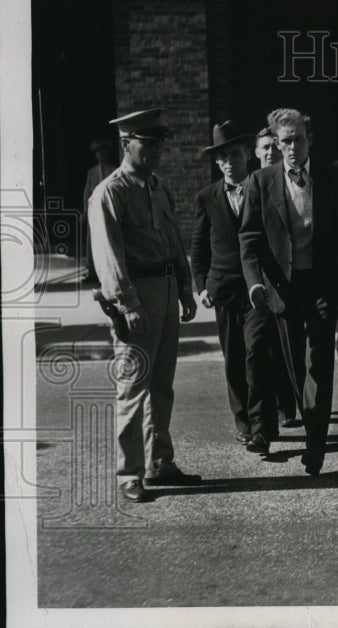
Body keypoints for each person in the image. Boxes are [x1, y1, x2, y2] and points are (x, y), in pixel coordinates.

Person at [240, 108, 338, 476]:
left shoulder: (329, 177)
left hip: (324, 285)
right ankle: (307, 417)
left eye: (299, 140)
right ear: (276, 144)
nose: (293, 147)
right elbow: (249, 237)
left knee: (320, 363)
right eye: (286, 141)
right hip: (284, 288)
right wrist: (255, 281)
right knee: (295, 367)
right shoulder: (260, 182)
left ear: (309, 140)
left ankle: (316, 445)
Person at [88, 108, 201, 503]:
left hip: (167, 291)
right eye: (146, 144)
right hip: (136, 297)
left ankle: (160, 461)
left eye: (158, 144)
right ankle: (129, 473)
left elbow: (173, 240)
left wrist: (185, 289)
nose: (155, 152)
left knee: (162, 386)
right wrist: (128, 303)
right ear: (126, 144)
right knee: (133, 387)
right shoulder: (109, 192)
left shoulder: (158, 187)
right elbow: (109, 258)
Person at [192, 121, 284, 455]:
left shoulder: (265, 187)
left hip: (259, 288)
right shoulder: (207, 196)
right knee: (233, 360)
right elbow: (199, 246)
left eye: (234, 153)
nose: (229, 161)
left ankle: (262, 428)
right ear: (216, 162)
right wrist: (200, 284)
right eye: (222, 157)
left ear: (246, 154)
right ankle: (244, 423)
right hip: (225, 289)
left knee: (256, 353)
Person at [252, 126, 298, 428]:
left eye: (273, 146)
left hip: (285, 280)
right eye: (264, 147)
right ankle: (260, 422)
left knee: (287, 349)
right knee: (257, 350)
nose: (270, 152)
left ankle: (288, 406)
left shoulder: (290, 185)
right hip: (254, 283)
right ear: (256, 152)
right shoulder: (252, 184)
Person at [82, 139, 117, 283]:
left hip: (109, 211)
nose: (100, 155)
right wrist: (85, 211)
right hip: (94, 212)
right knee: (92, 241)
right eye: (97, 152)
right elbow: (87, 192)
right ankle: (92, 272)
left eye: (103, 151)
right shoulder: (92, 173)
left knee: (110, 240)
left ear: (107, 152)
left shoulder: (115, 170)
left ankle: (111, 272)